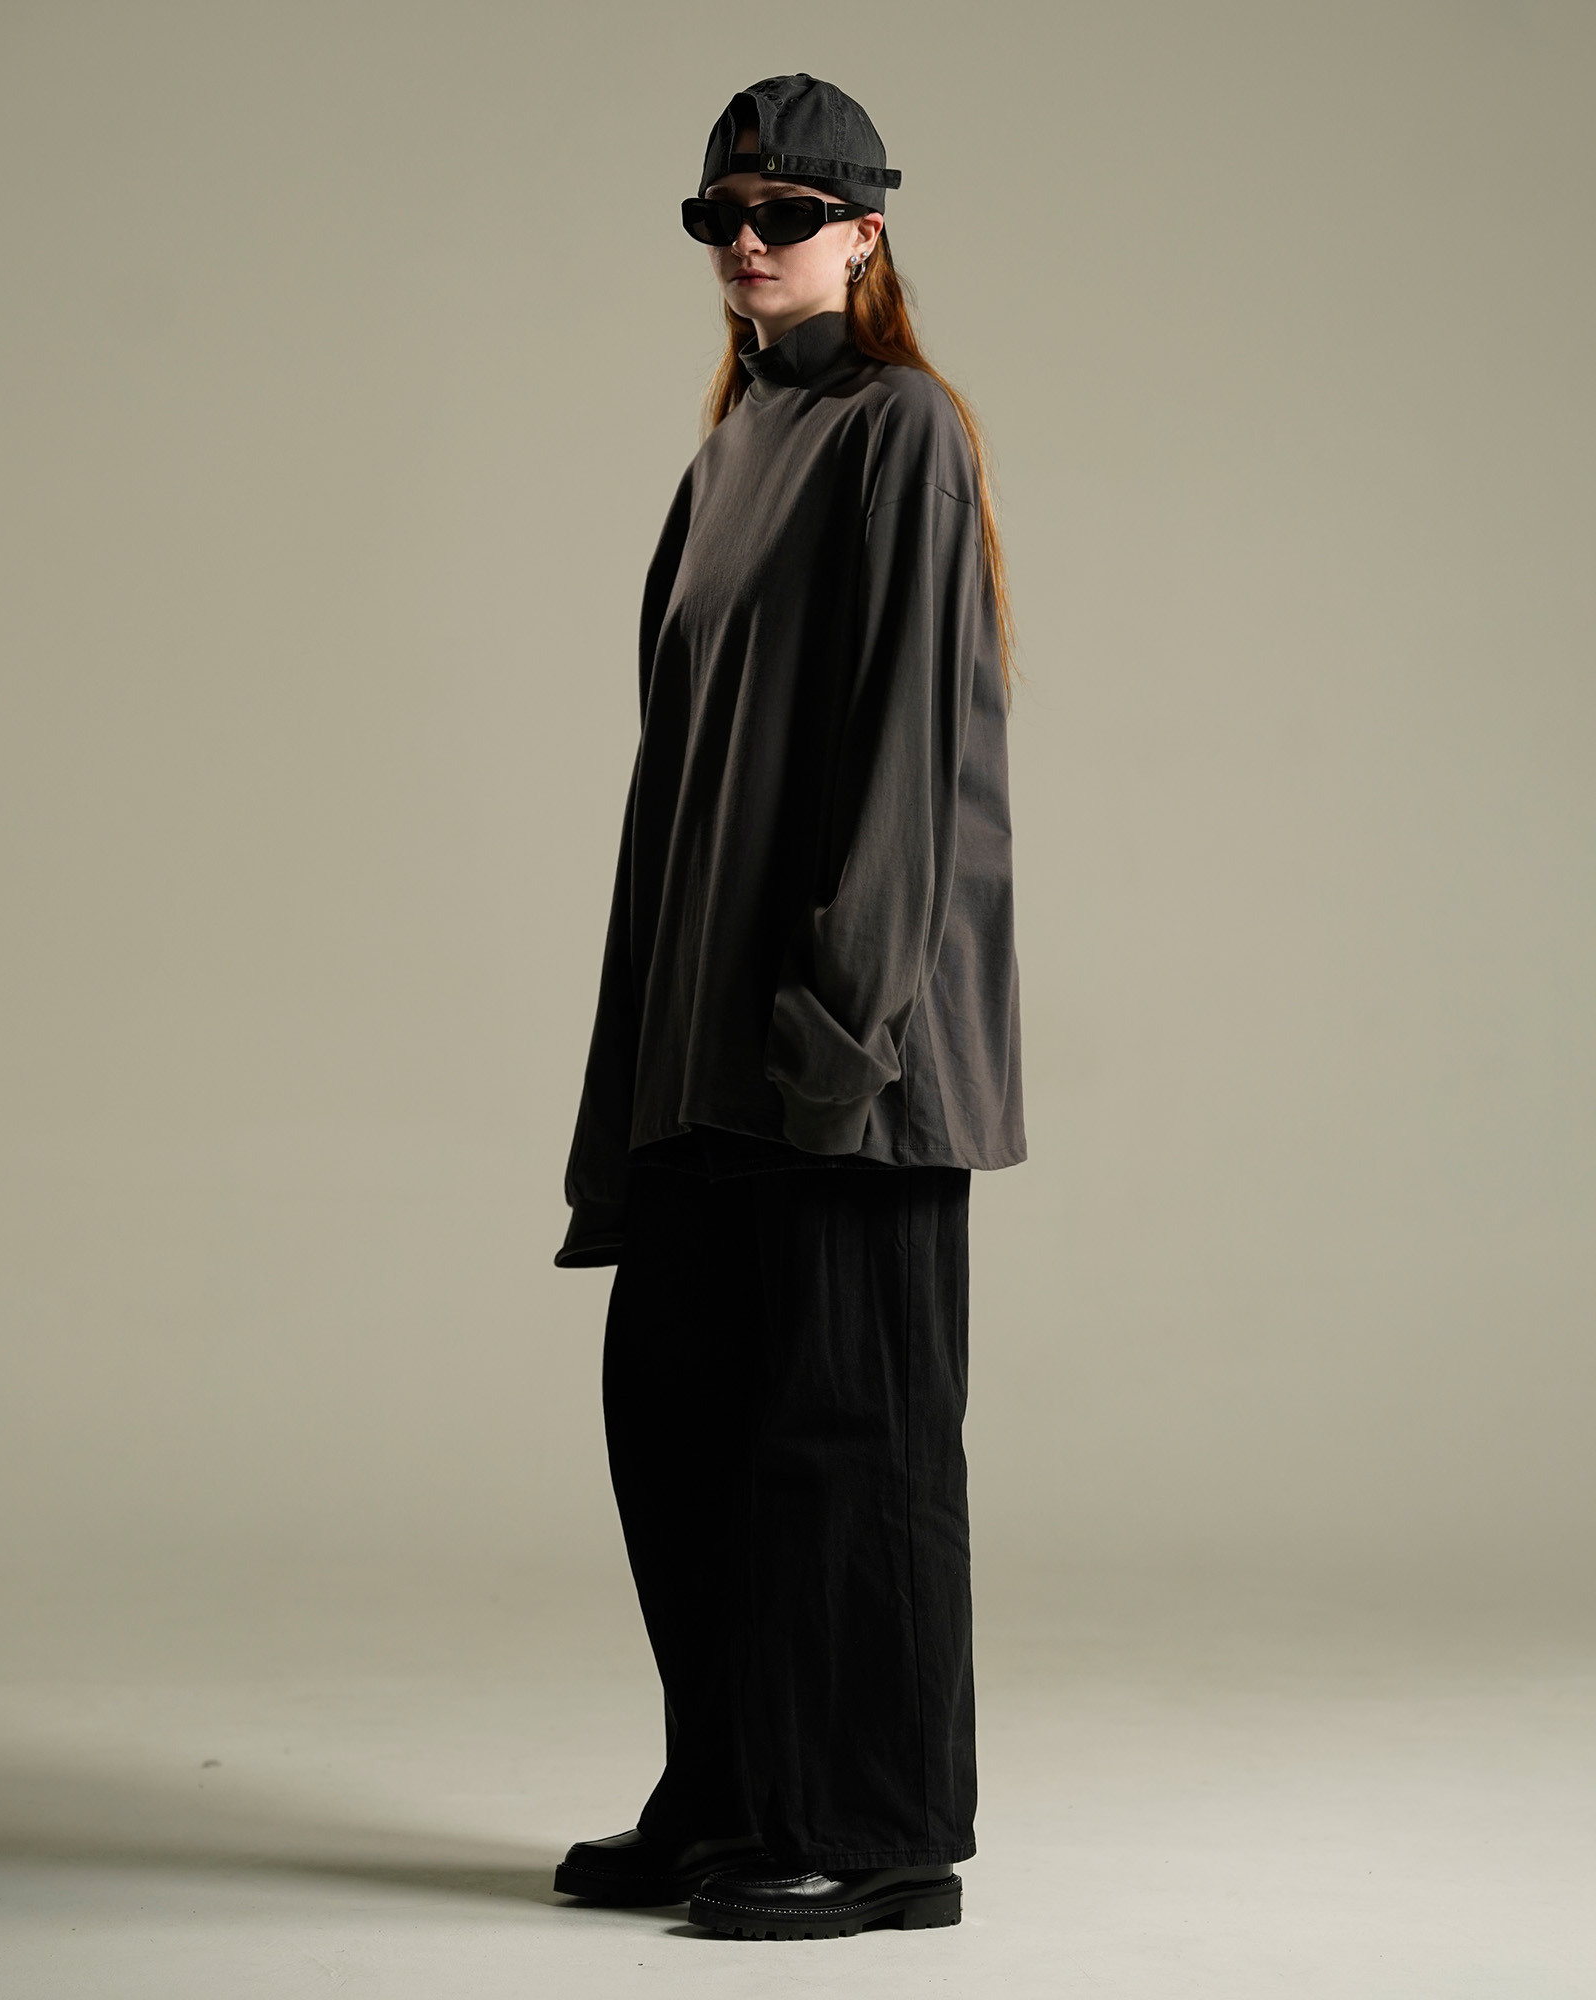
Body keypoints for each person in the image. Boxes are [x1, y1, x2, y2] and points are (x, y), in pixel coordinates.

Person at [549, 72, 1025, 1942]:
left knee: (851, 1446)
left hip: (848, 1060)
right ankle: (736, 1793)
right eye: (720, 216)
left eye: (787, 212)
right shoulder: (731, 447)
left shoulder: (903, 431)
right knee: (678, 1427)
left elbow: (908, 761)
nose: (748, 241)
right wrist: (647, 1067)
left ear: (865, 231)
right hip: (706, 1058)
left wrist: (838, 1034)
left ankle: (879, 1830)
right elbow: (675, 791)